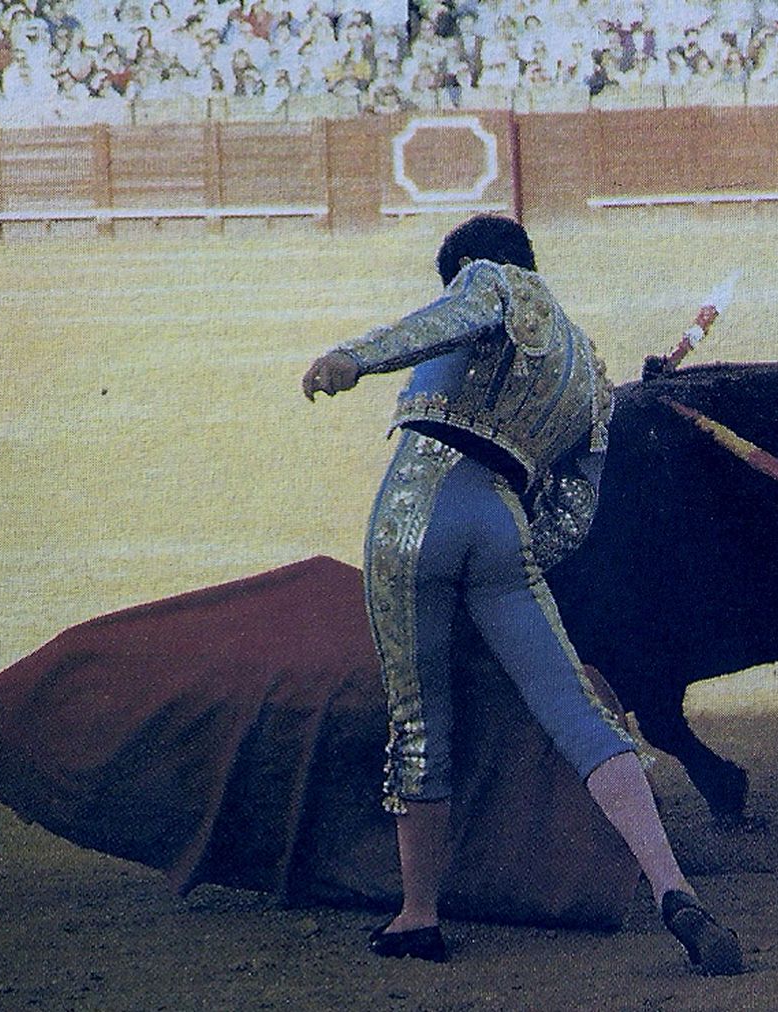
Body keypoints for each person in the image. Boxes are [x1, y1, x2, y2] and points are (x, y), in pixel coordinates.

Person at [301, 214, 744, 975]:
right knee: (580, 714)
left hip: (418, 504)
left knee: (419, 722)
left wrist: (355, 358)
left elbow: (450, 318)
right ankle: (674, 886)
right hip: (504, 527)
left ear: (471, 264)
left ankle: (418, 914)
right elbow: (575, 509)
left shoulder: (489, 280)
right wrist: (511, 565)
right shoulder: (587, 372)